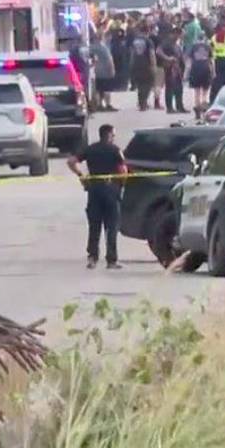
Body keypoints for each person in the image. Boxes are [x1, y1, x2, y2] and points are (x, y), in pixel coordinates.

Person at [68, 124, 127, 269]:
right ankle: (111, 260)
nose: (114, 137)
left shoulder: (90, 149)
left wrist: (81, 175)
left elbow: (71, 162)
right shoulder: (115, 150)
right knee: (111, 227)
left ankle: (92, 258)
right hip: (111, 191)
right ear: (108, 135)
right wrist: (122, 184)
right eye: (113, 135)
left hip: (94, 190)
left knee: (94, 226)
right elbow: (123, 170)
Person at [127, 23, 157, 111]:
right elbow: (152, 54)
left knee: (140, 84)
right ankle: (143, 102)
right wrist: (154, 66)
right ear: (148, 31)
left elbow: (132, 53)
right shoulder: (148, 41)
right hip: (146, 64)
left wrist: (131, 64)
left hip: (136, 64)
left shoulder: (134, 40)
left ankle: (141, 102)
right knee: (148, 84)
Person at [157, 27, 186, 114]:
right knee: (170, 88)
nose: (182, 36)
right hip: (170, 68)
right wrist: (168, 58)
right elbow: (158, 51)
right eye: (181, 34)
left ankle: (179, 106)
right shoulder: (167, 42)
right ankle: (170, 108)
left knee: (179, 88)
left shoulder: (176, 43)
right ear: (176, 33)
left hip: (177, 68)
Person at [187, 33, 214, 120]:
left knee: (197, 92)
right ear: (205, 38)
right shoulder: (208, 47)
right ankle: (204, 109)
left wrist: (186, 73)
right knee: (205, 93)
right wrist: (214, 72)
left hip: (195, 69)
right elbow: (211, 61)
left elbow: (189, 61)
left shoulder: (194, 47)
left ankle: (197, 111)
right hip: (206, 68)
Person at [90, 29, 117, 111]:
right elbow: (109, 60)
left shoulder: (91, 47)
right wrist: (112, 70)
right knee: (107, 89)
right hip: (105, 71)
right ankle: (108, 105)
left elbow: (91, 59)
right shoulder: (104, 48)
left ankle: (99, 105)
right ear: (102, 37)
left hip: (97, 72)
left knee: (99, 89)